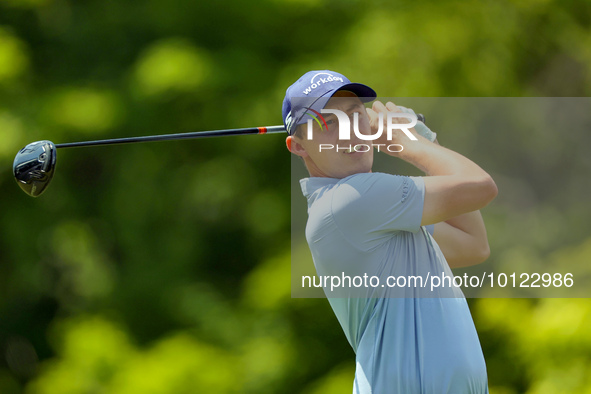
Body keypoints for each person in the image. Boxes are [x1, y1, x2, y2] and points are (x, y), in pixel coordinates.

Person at [283, 70, 498, 393]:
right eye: (327, 123)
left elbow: (472, 244)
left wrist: (424, 138)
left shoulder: (381, 213)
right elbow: (481, 187)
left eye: (356, 115)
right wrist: (409, 142)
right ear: (298, 147)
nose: (349, 131)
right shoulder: (350, 200)